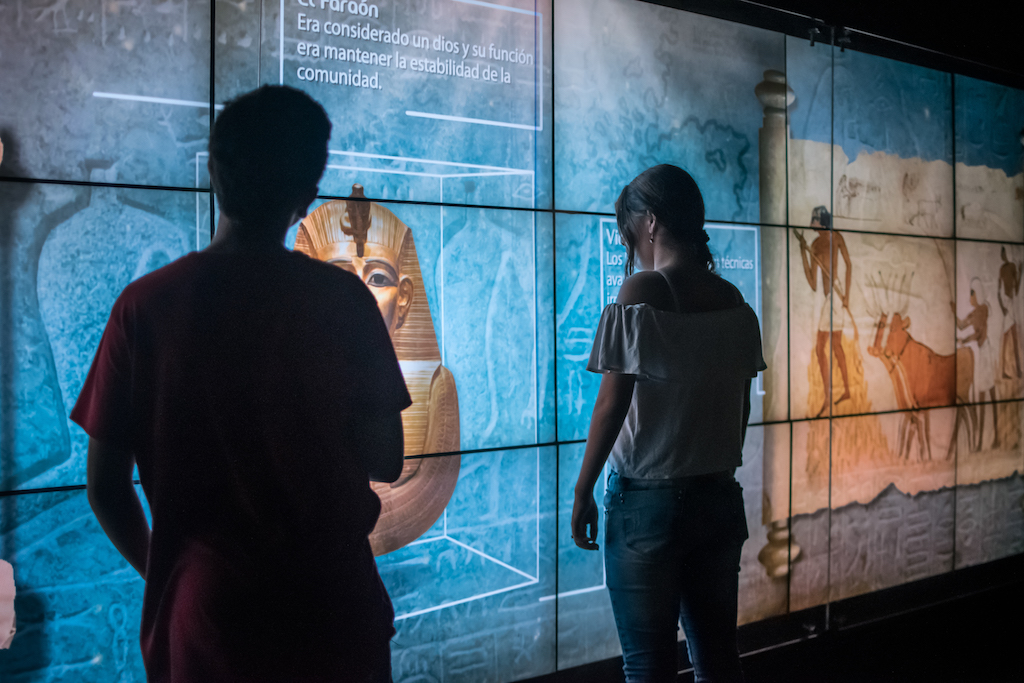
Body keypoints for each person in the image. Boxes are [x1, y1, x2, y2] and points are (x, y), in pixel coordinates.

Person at [72, 86, 410, 683]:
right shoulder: (344, 303)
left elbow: (105, 486)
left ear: (214, 172)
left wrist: (172, 573)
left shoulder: (145, 307)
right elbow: (386, 458)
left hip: (207, 624)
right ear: (306, 196)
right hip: (332, 614)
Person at [571, 165, 765, 683]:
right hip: (719, 501)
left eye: (629, 231)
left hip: (648, 508)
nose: (630, 244)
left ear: (650, 222)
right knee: (719, 663)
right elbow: (739, 413)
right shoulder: (735, 305)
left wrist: (583, 491)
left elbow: (612, 404)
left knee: (648, 668)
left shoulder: (642, 290)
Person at [794, 206, 852, 417]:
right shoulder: (815, 244)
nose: (813, 224)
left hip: (835, 298)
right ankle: (840, 393)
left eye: (815, 220)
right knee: (832, 345)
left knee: (823, 347)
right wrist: (803, 251)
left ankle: (835, 395)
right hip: (830, 298)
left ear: (821, 221)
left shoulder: (836, 237)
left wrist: (846, 295)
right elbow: (812, 282)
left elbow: (849, 264)